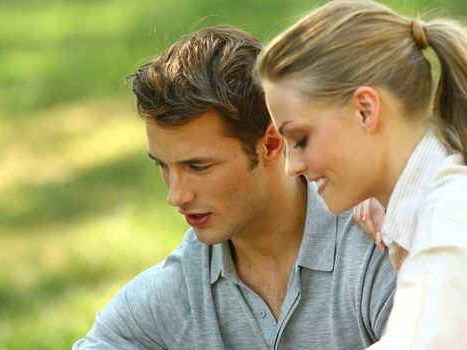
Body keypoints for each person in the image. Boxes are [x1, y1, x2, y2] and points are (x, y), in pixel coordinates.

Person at [73, 25, 396, 350]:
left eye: (198, 167)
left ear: (270, 144)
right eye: (162, 165)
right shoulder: (180, 289)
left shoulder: (377, 245)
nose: (176, 196)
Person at [255, 0, 467, 348]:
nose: (292, 167)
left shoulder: (450, 216)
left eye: (301, 139)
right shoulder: (425, 206)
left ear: (365, 110)